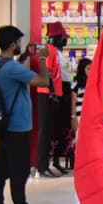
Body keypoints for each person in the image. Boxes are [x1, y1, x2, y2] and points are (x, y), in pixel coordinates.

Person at [0, 25, 50, 204]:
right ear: (13, 43)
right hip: (17, 125)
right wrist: (42, 59)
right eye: (19, 42)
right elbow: (43, 81)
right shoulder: (13, 68)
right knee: (19, 170)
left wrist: (25, 55)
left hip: (3, 124)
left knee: (0, 169)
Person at [35, 22, 70, 178]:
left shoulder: (57, 52)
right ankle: (41, 166)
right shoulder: (48, 51)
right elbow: (47, 72)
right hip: (46, 94)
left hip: (56, 93)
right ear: (56, 38)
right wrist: (52, 93)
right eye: (63, 38)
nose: (65, 41)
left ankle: (52, 163)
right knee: (46, 131)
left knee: (55, 131)